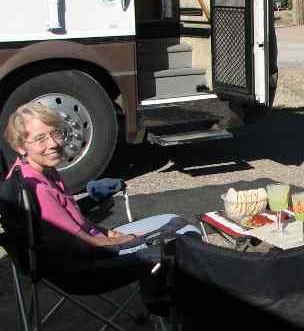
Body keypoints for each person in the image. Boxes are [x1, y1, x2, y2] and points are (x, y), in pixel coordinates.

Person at [3, 102, 200, 260]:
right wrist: (130, 239)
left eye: (56, 134)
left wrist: (107, 232)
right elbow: (82, 243)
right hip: (87, 263)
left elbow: (75, 221)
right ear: (21, 147)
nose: (53, 144)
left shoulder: (37, 170)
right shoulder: (35, 187)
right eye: (40, 139)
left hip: (94, 244)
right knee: (187, 232)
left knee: (173, 220)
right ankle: (164, 303)